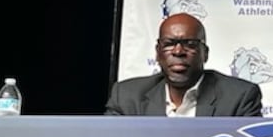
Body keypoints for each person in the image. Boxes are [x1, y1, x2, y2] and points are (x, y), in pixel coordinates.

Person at [105, 12, 263, 116]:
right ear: (157, 52)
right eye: (169, 44)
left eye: (190, 44)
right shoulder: (126, 97)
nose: (178, 51)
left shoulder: (239, 97)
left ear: (205, 53)